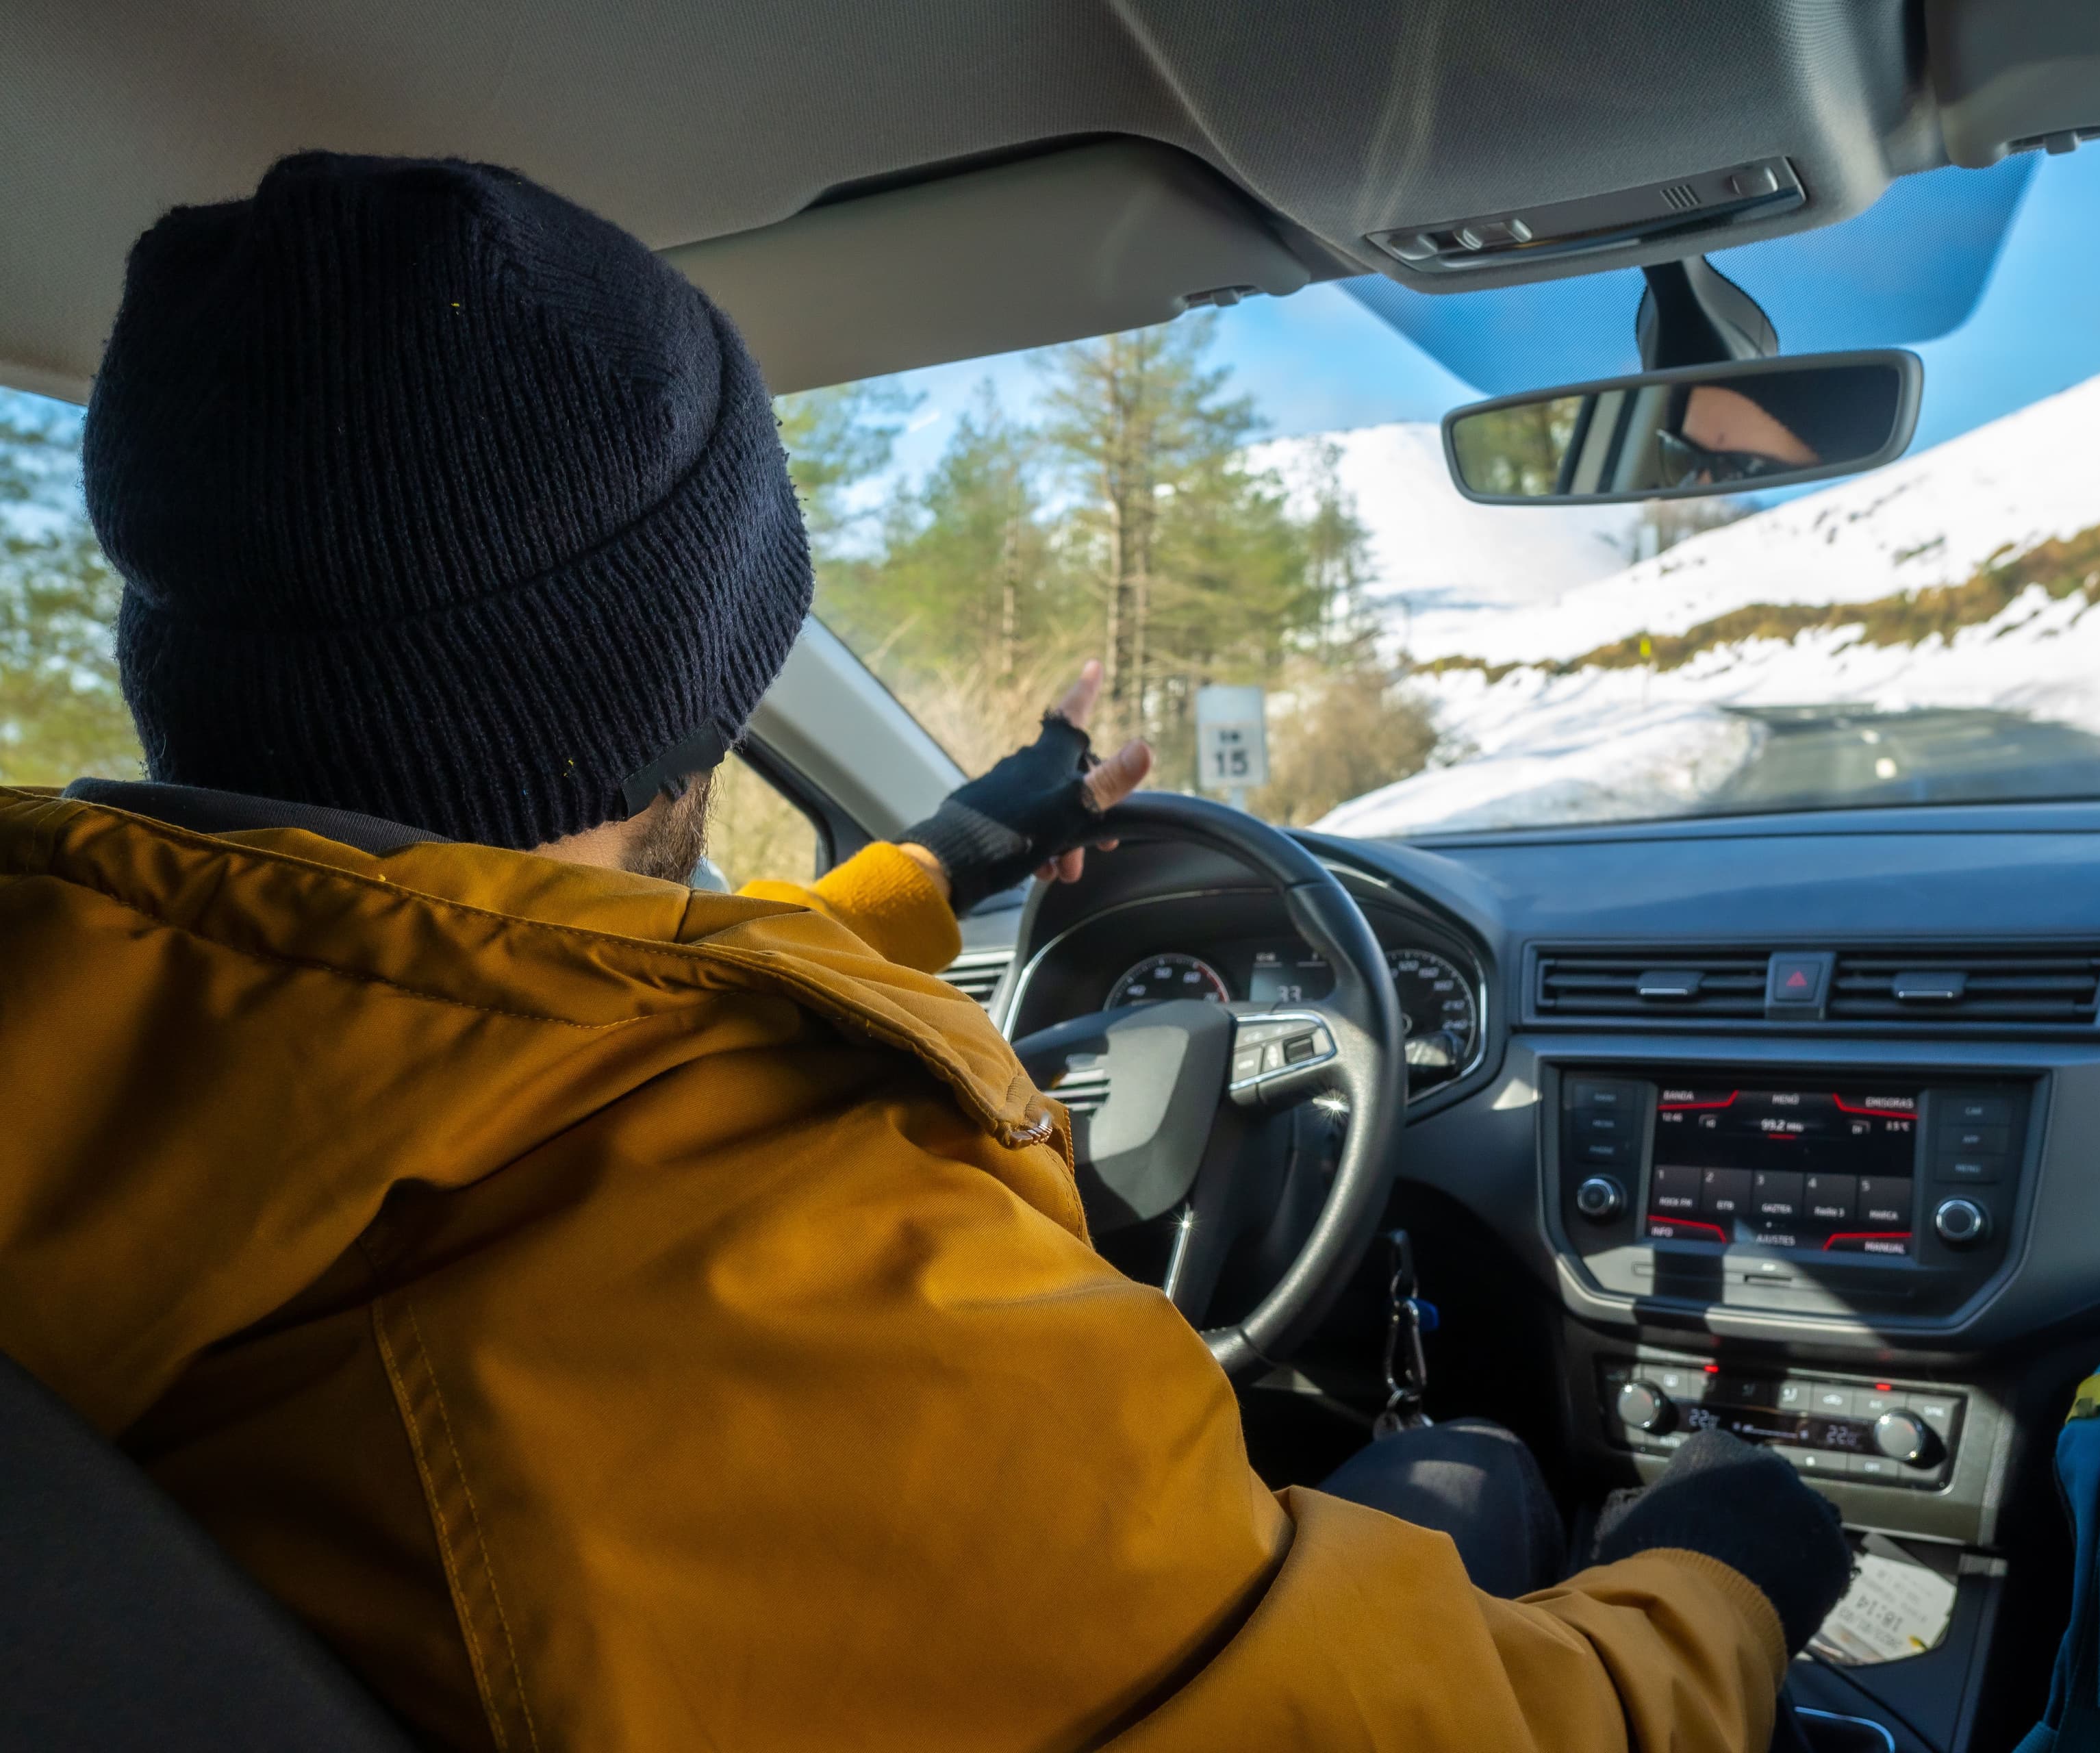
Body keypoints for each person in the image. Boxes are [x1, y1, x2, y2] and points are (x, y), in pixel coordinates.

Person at [0, 152, 1851, 1750]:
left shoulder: (118, 1034)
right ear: (695, 681)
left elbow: (498, 1020)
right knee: (1494, 1487)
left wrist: (934, 867)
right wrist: (1720, 1586)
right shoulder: (813, 1313)